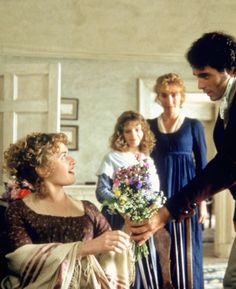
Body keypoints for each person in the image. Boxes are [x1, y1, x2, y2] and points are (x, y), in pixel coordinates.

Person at [126, 31, 236, 289]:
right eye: (197, 76)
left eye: (205, 75)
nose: (199, 84)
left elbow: (224, 165)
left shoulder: (196, 124)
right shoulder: (227, 104)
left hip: (185, 194)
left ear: (230, 69)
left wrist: (167, 212)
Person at [1, 132, 133, 289]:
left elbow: (111, 250)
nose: (73, 161)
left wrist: (128, 231)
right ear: (42, 169)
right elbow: (21, 260)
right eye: (63, 156)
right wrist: (84, 248)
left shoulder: (88, 208)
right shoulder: (18, 210)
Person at [96, 111, 172, 289]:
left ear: (144, 131)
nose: (133, 135)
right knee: (121, 264)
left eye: (137, 130)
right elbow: (101, 191)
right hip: (118, 217)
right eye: (128, 131)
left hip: (145, 217)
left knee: (148, 260)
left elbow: (155, 191)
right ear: (121, 134)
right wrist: (124, 204)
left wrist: (147, 208)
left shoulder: (147, 159)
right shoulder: (112, 157)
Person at [148, 72, 208, 289]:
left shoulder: (194, 125)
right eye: (164, 95)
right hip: (158, 191)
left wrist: (203, 205)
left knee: (186, 248)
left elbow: (203, 168)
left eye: (173, 95)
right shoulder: (148, 126)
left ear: (181, 96)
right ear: (158, 97)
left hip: (187, 191)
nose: (169, 100)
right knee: (159, 245)